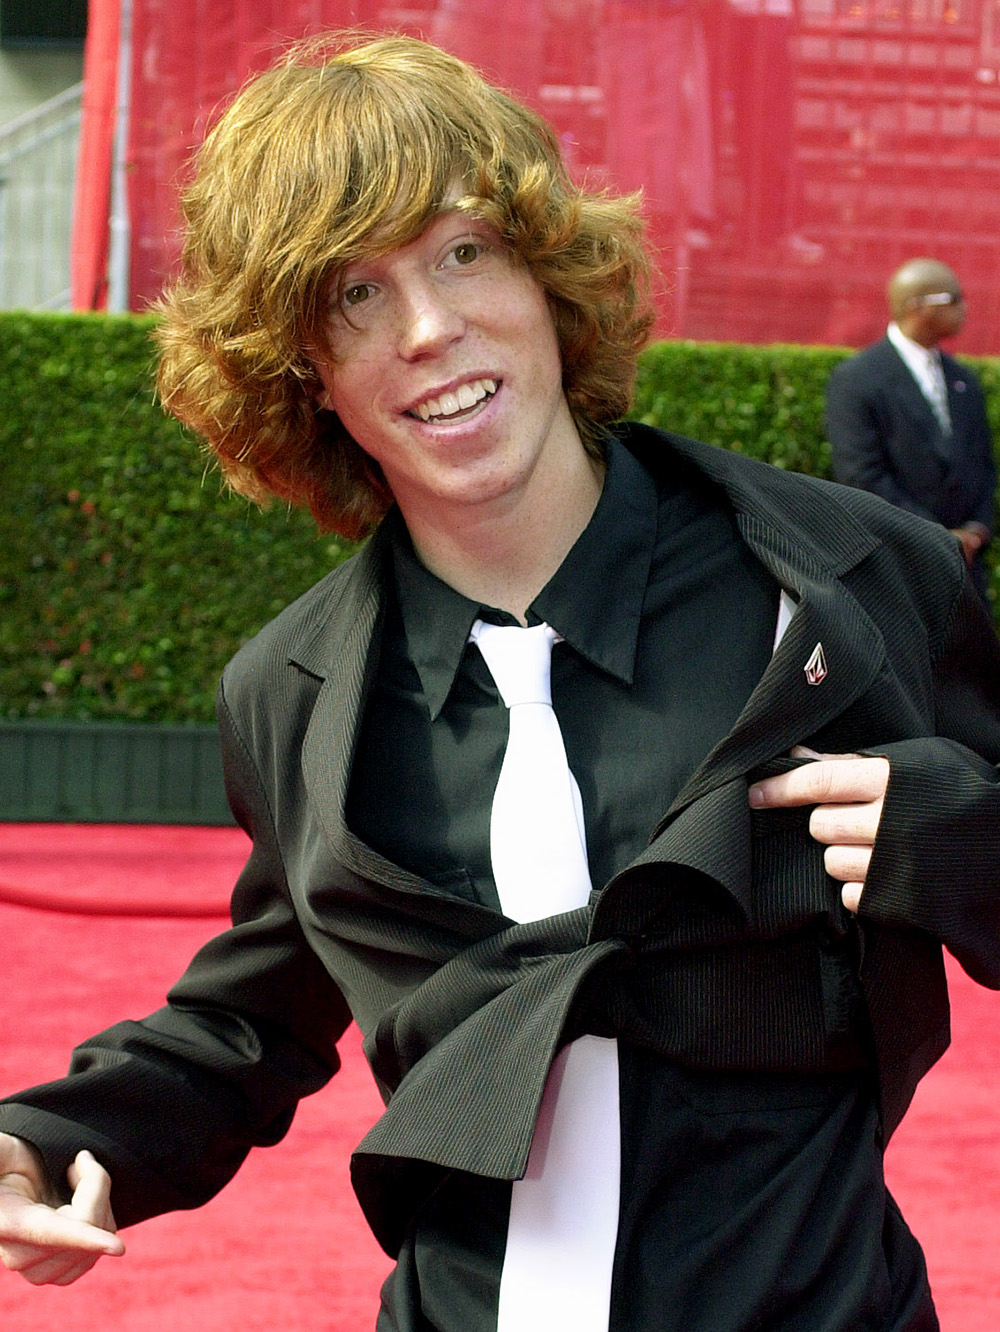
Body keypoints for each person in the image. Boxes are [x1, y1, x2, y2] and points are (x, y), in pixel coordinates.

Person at [2, 33, 1000, 1332]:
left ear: (546, 272)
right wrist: (53, 1138)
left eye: (463, 252)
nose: (429, 329)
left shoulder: (857, 583)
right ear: (298, 367)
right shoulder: (294, 694)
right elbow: (261, 1003)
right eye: (351, 296)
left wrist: (969, 834)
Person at [825, 257, 997, 595]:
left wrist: (976, 530)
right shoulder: (857, 379)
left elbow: (982, 466)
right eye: (953, 299)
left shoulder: (964, 379)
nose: (965, 308)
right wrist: (937, 538)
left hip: (966, 575)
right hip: (895, 570)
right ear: (918, 307)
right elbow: (861, 476)